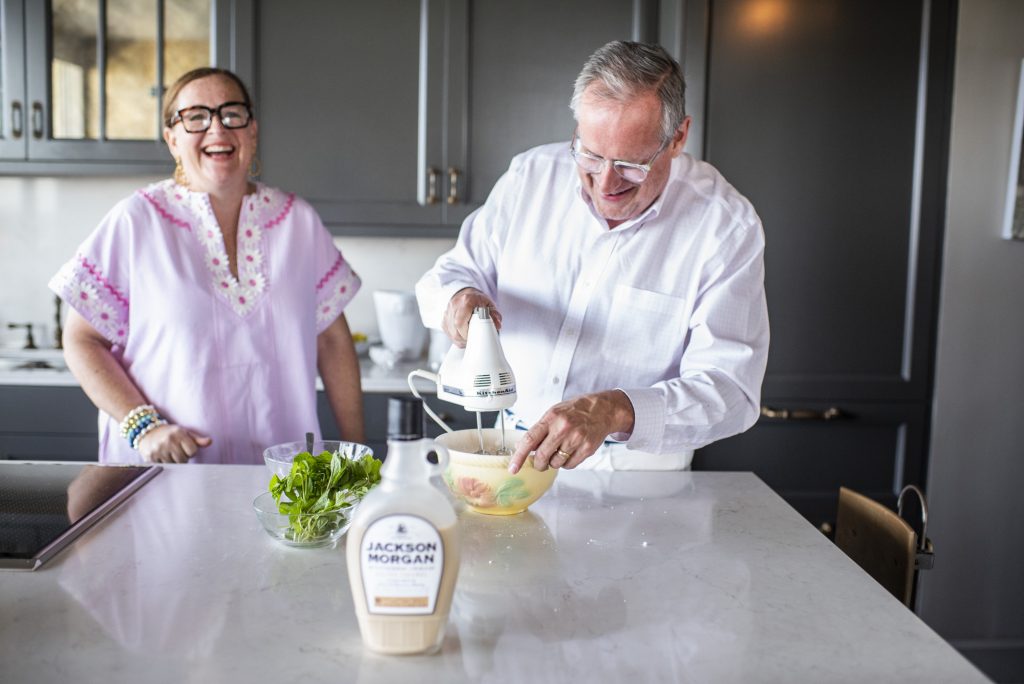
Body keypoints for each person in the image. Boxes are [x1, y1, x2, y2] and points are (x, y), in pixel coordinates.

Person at [416, 41, 768, 474]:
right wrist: (459, 298)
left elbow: (731, 390)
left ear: (677, 137)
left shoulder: (725, 226)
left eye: (630, 163)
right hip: (512, 453)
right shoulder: (530, 178)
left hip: (639, 477)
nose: (605, 182)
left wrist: (616, 410)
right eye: (591, 154)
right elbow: (452, 272)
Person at [49, 67, 364, 464]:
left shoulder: (298, 221)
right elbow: (81, 340)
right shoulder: (135, 222)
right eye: (195, 117)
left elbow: (333, 342)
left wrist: (358, 458)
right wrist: (144, 425)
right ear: (172, 139)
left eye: (232, 114)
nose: (217, 130)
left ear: (252, 131)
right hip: (164, 478)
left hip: (284, 482)